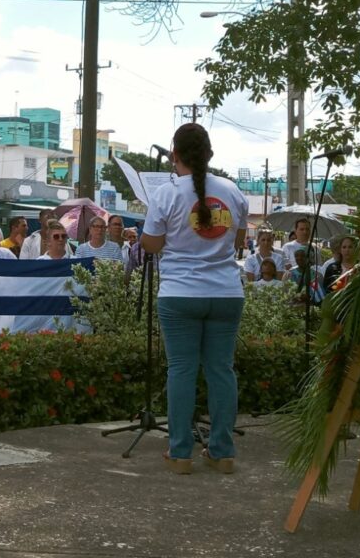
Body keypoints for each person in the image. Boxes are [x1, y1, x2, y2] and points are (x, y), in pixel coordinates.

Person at [140, 123, 248, 475]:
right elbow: (238, 243)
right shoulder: (233, 192)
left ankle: (180, 453)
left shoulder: (166, 194)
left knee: (182, 370)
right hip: (227, 292)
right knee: (221, 370)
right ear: (209, 154)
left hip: (180, 294)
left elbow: (151, 245)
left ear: (174, 155)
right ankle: (222, 451)